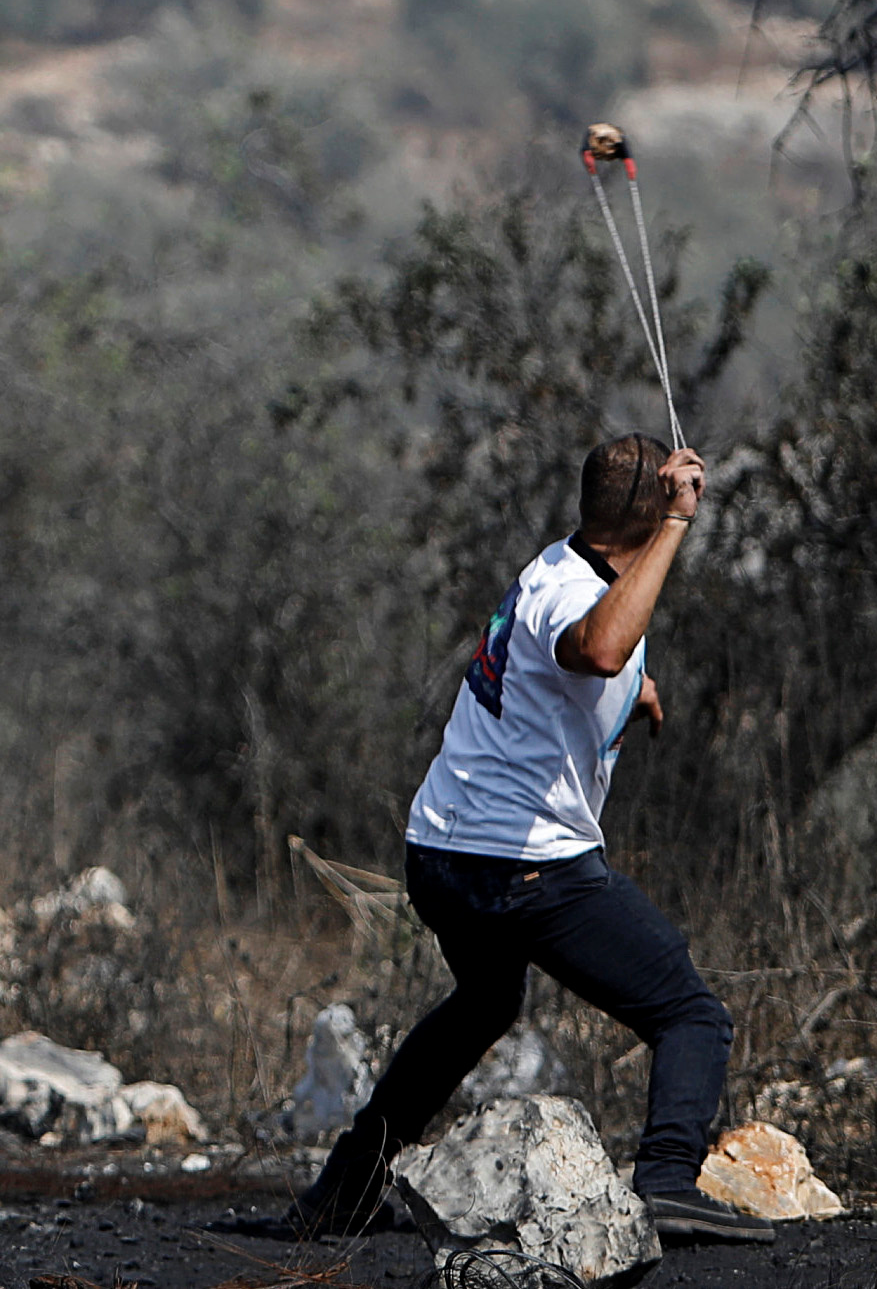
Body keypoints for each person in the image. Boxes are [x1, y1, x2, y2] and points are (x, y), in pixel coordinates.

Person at [290, 434, 768, 1248]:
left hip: (439, 854)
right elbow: (601, 643)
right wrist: (681, 525)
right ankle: (665, 1182)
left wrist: (633, 692)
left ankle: (343, 1188)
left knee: (484, 1001)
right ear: (649, 511)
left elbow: (587, 662)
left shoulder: (557, 566)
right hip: (521, 866)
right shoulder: (573, 593)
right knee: (692, 1014)